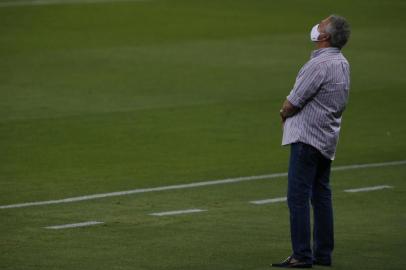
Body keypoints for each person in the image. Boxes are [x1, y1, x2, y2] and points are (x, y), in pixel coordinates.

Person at [272, 15, 351, 268]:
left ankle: (302, 255)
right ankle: (323, 254)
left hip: (306, 137)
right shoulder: (342, 63)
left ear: (325, 37)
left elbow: (293, 101)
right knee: (321, 193)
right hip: (327, 137)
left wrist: (283, 113)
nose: (316, 26)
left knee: (297, 197)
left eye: (321, 24)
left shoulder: (318, 65)